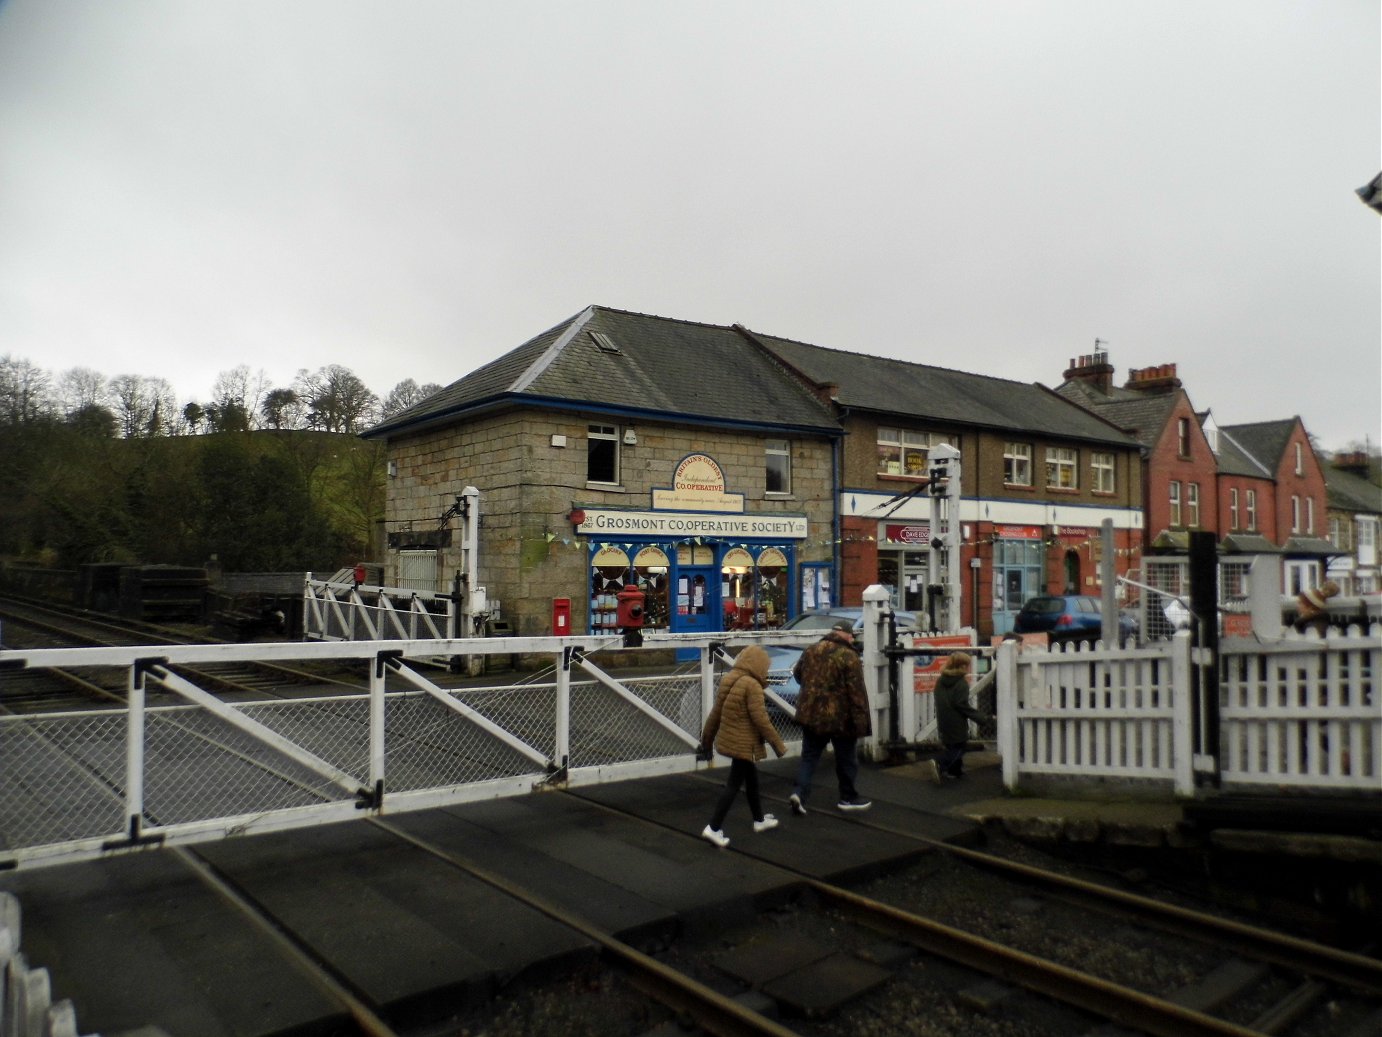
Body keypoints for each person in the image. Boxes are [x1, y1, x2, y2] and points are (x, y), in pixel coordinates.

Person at [698, 644, 787, 847]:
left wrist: (707, 740)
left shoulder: (730, 678)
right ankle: (713, 827)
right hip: (744, 742)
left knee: (751, 779)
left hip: (731, 738)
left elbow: (716, 713)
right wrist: (778, 745)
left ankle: (759, 820)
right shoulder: (752, 686)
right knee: (733, 784)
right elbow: (761, 719)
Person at [788, 619, 873, 814]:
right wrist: (861, 721)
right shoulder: (849, 656)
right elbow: (856, 692)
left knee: (809, 756)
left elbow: (798, 674)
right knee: (846, 759)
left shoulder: (812, 649)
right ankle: (848, 798)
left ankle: (799, 793)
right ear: (848, 635)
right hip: (839, 717)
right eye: (852, 636)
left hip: (811, 714)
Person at [926, 651, 991, 781]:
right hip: (956, 719)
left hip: (943, 717)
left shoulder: (941, 680)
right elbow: (962, 705)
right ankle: (939, 763)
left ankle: (955, 771)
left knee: (951, 744)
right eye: (967, 665)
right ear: (961, 666)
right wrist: (981, 718)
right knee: (959, 747)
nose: (968, 668)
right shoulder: (961, 683)